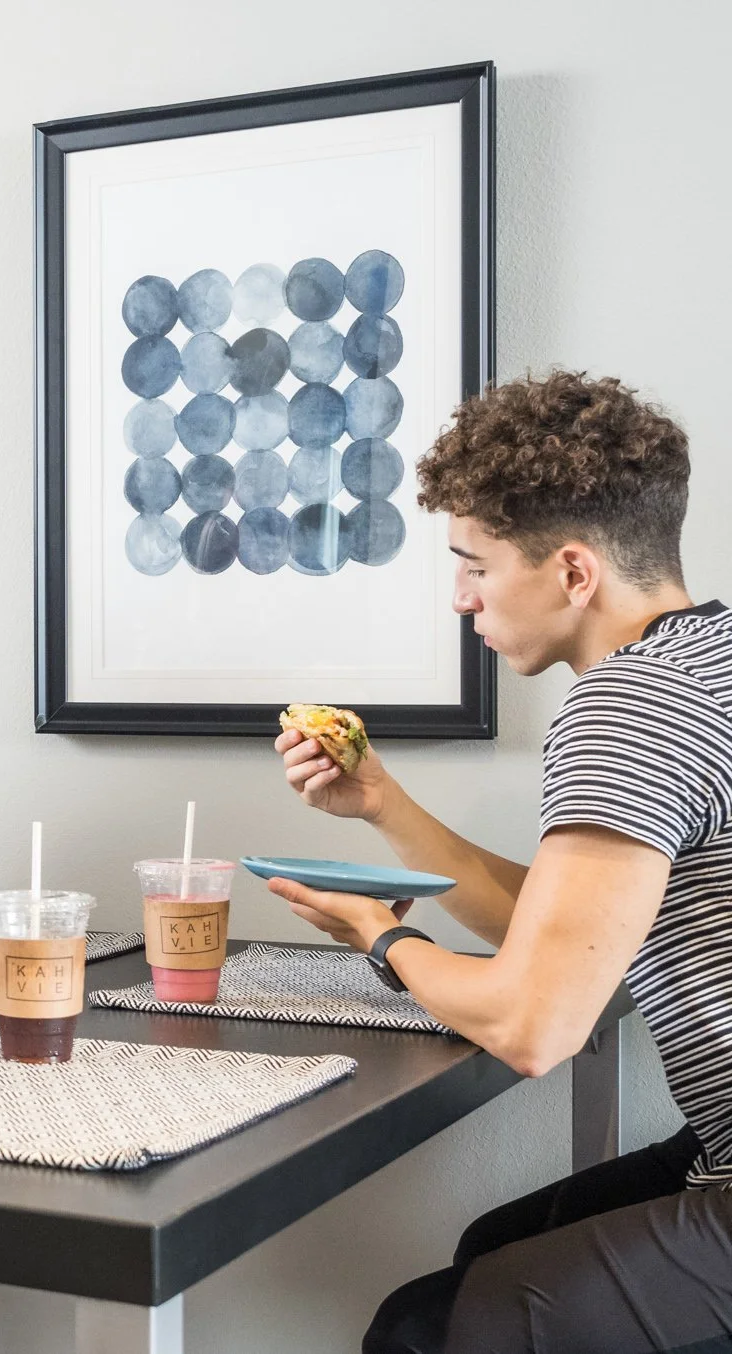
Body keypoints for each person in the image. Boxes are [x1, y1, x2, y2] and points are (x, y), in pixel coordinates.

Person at [267, 372, 732, 1353]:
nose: (458, 596)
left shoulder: (628, 707)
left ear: (570, 571)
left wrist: (380, 936)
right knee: (491, 1248)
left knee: (420, 1327)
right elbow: (568, 924)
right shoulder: (706, 661)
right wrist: (380, 804)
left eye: (471, 562)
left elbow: (531, 1023)